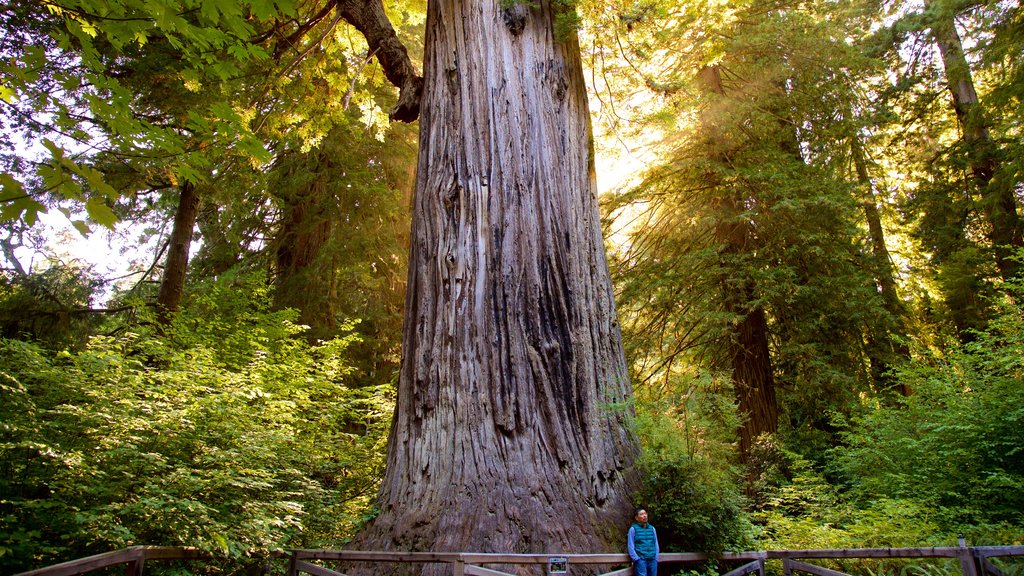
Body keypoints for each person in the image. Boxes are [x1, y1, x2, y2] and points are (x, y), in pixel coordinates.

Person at [627, 507, 659, 576]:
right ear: (636, 518)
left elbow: (656, 544)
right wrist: (636, 559)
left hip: (652, 559)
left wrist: (656, 557)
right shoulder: (633, 529)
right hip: (641, 560)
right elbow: (630, 545)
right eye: (641, 514)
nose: (644, 516)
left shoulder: (652, 528)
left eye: (645, 513)